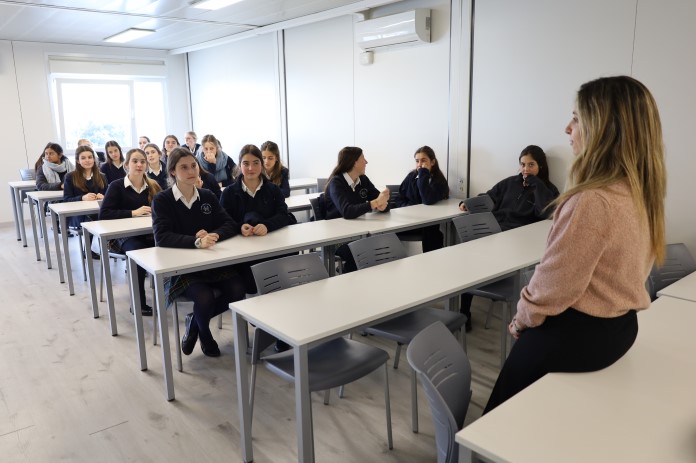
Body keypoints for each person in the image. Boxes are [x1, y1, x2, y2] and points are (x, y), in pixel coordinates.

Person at [484, 76, 666, 414]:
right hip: (620, 330)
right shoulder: (639, 190)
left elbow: (554, 286)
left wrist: (521, 319)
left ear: (604, 127)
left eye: (577, 118)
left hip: (574, 336)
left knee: (496, 421)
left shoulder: (592, 200)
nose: (568, 128)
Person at [152, 147, 246, 357]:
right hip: (181, 269)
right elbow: (162, 236)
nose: (191, 171)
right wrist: (196, 241)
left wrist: (212, 235)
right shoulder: (162, 200)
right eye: (183, 167)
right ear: (173, 172)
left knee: (238, 290)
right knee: (204, 298)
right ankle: (205, 335)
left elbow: (229, 224)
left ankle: (194, 323)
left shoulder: (207, 196)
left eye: (193, 166)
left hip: (211, 263)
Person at [459, 145, 560, 331]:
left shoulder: (548, 189)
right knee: (470, 265)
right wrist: (468, 203)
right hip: (494, 234)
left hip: (517, 243)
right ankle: (465, 313)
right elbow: (489, 197)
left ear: (541, 166)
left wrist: (537, 184)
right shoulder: (510, 183)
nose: (526, 169)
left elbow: (544, 212)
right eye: (523, 164)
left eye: (531, 165)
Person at [220, 144, 296, 294]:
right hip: (242, 254)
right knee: (251, 285)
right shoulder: (229, 193)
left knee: (281, 282)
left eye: (256, 163)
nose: (250, 168)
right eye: (246, 163)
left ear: (261, 165)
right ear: (239, 165)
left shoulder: (273, 190)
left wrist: (267, 226)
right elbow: (222, 220)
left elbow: (283, 215)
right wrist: (239, 227)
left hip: (272, 249)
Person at [99, 148, 162, 316]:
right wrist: (133, 212)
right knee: (138, 252)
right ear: (126, 165)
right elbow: (104, 214)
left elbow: (165, 209)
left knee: (166, 246)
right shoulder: (116, 186)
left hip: (148, 233)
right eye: (135, 161)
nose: (139, 164)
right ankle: (138, 303)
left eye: (143, 161)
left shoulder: (153, 185)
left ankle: (170, 294)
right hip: (122, 237)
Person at [323, 146, 390, 272]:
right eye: (363, 158)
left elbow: (380, 200)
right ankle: (351, 280)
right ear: (354, 162)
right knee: (362, 250)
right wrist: (375, 203)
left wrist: (382, 205)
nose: (366, 162)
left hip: (358, 232)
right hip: (337, 238)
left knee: (383, 243)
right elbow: (347, 211)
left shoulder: (363, 180)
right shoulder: (336, 183)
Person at [396, 145, 449, 252]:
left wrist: (423, 173)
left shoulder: (439, 181)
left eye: (423, 161)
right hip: (408, 220)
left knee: (433, 234)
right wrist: (409, 209)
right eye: (417, 161)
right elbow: (399, 198)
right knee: (386, 232)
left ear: (432, 162)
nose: (419, 164)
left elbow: (427, 199)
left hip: (427, 224)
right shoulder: (411, 176)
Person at [63, 145, 107, 233]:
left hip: (97, 212)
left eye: (90, 157)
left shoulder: (102, 176)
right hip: (79, 215)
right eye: (83, 158)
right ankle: (91, 246)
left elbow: (109, 197)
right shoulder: (70, 177)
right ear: (77, 161)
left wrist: (103, 197)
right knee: (93, 219)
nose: (87, 160)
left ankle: (107, 244)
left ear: (94, 159)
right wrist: (82, 198)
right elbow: (66, 199)